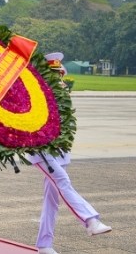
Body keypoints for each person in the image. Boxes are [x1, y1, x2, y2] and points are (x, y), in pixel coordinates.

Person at [30, 53, 111, 254]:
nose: (59, 79)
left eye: (59, 75)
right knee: (63, 182)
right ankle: (90, 221)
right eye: (53, 75)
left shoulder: (60, 95)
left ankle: (44, 244)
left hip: (59, 151)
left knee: (53, 198)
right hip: (41, 149)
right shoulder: (35, 96)